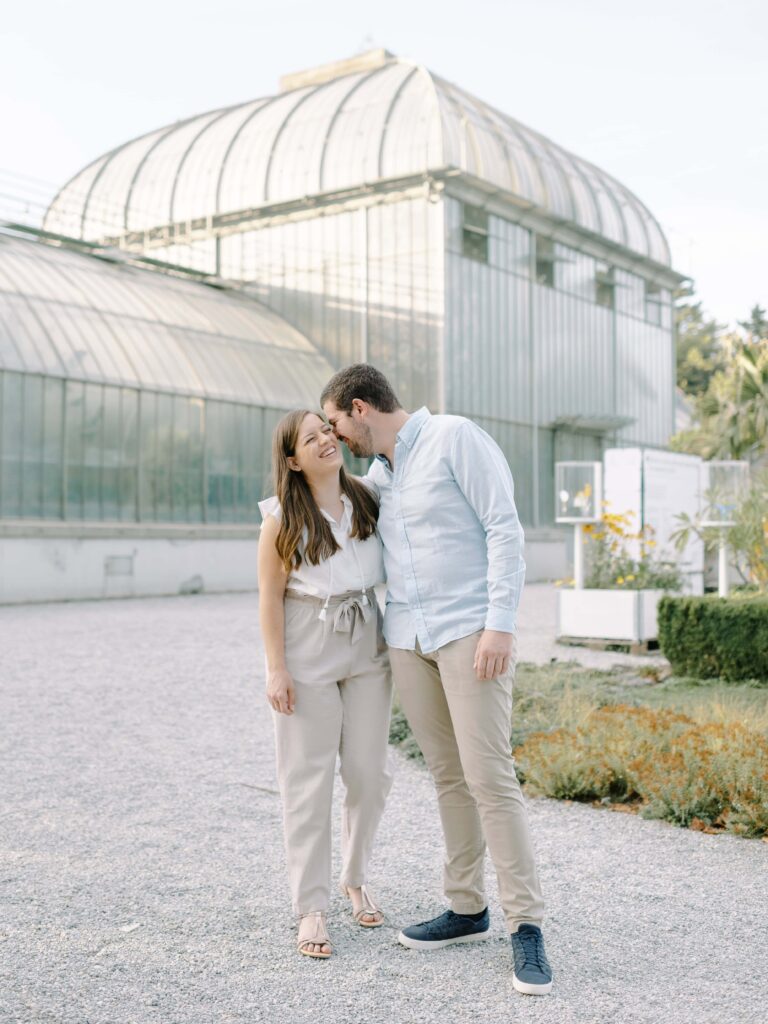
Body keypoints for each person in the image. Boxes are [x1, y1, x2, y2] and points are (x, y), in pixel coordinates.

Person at [321, 366, 553, 996]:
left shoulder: (456, 438)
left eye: (336, 424)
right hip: (408, 639)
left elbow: (504, 528)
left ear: (360, 408)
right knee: (449, 777)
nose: (337, 437)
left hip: (469, 632)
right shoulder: (380, 477)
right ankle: (467, 907)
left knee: (490, 777)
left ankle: (526, 925)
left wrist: (500, 626)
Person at [257, 409, 393, 959]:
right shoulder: (280, 518)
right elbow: (269, 598)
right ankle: (311, 906)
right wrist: (277, 668)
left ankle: (354, 877)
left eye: (325, 430)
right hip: (307, 640)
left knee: (368, 773)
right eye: (309, 438)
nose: (324, 440)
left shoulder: (367, 497)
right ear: (293, 460)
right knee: (307, 779)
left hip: (366, 638)